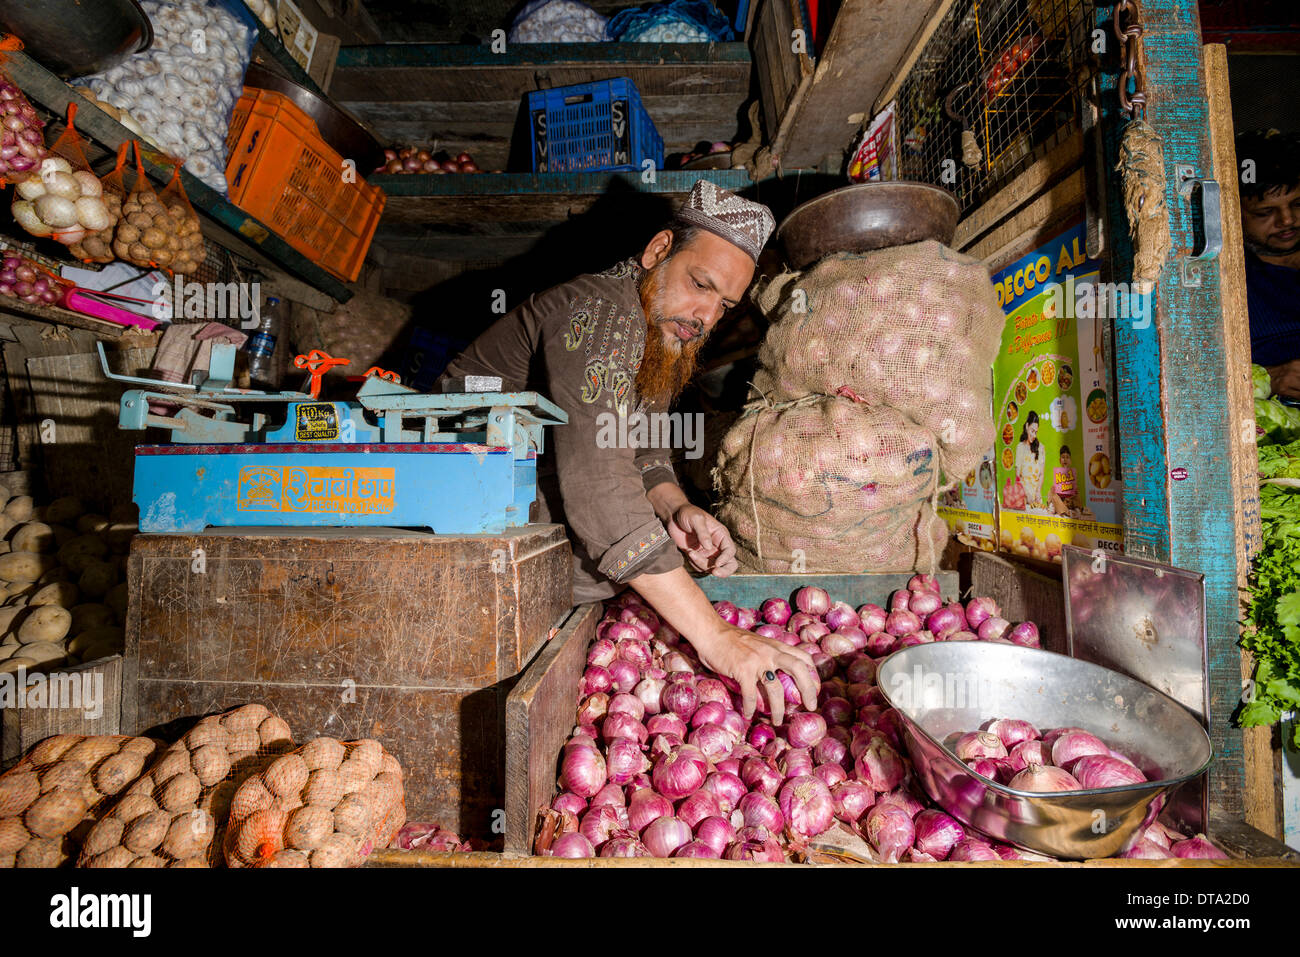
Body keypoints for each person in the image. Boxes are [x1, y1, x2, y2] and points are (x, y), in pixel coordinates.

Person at [437, 181, 817, 722]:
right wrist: (716, 636)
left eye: (724, 304)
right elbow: (598, 485)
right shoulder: (599, 312)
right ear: (659, 251)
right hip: (463, 521)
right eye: (699, 284)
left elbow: (641, 450)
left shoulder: (662, 329)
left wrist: (676, 508)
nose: (705, 316)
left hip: (520, 519)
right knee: (609, 547)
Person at [1236, 129, 1300, 398]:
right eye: (1265, 212)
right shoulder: (1229, 281)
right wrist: (1269, 378)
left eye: (1297, 204)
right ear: (1234, 212)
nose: (1287, 220)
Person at [1015, 410, 1045, 509]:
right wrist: (1026, 494)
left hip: (1036, 497)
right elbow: (1017, 476)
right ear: (1027, 426)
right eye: (1032, 431)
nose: (1034, 435)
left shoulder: (1041, 448)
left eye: (1036, 432)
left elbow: (1041, 474)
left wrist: (1038, 492)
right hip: (1023, 495)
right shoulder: (1020, 447)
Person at [1050, 445, 1079, 515]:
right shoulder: (1058, 473)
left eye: (1067, 457)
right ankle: (1066, 511)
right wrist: (1055, 490)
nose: (1065, 460)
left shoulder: (1072, 473)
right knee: (1051, 490)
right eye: (1063, 457)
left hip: (1070, 501)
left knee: (1077, 492)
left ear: (1070, 461)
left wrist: (1074, 492)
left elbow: (1075, 493)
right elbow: (1055, 493)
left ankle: (1074, 509)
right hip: (1061, 500)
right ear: (1060, 460)